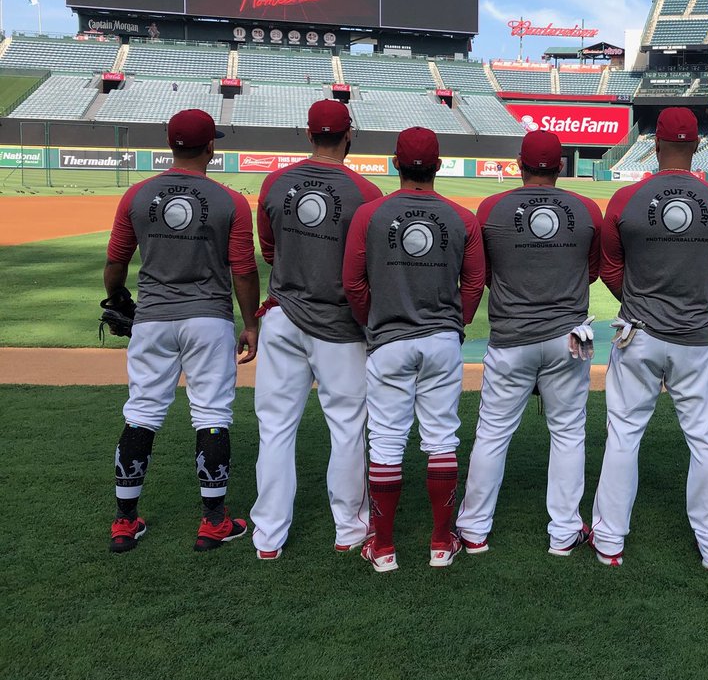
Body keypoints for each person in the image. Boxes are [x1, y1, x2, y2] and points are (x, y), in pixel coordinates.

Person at [590, 107, 708, 570]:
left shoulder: (624, 199)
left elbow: (609, 268)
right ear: (697, 146)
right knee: (706, 438)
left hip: (638, 333)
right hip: (695, 337)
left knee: (623, 436)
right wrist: (699, 302)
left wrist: (637, 299)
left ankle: (610, 542)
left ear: (655, 144)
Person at [106, 108, 260, 553]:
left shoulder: (137, 195)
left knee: (142, 412)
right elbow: (244, 270)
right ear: (211, 146)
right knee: (211, 414)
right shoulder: (230, 200)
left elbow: (116, 261)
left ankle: (124, 521)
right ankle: (213, 522)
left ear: (170, 144)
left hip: (153, 317)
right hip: (209, 319)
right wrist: (250, 323)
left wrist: (116, 299)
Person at [342, 127, 485, 571]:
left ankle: (382, 547)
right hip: (441, 339)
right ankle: (442, 542)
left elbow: (352, 283)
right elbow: (475, 282)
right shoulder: (462, 217)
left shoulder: (369, 215)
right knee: (441, 437)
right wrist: (453, 324)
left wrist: (375, 320)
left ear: (393, 163)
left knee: (386, 440)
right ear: (439, 165)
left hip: (388, 340)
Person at [457, 130, 603, 556]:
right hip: (568, 337)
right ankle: (563, 533)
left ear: (519, 164)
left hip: (510, 338)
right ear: (561, 166)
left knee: (492, 434)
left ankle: (473, 530)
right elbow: (590, 272)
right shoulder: (587, 208)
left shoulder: (491, 208)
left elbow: (479, 274)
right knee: (569, 433)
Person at [250, 100, 383, 560]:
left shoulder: (273, 182)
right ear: (349, 136)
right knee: (347, 428)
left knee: (275, 428)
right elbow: (371, 268)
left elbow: (269, 252)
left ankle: (268, 535)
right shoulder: (367, 192)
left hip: (283, 316)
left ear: (308, 135)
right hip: (340, 326)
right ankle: (348, 529)